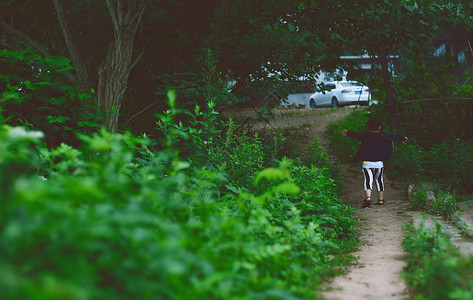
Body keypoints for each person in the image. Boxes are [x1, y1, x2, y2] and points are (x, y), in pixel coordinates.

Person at [341, 117, 407, 208]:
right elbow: (394, 135)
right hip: (378, 163)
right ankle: (380, 200)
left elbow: (356, 134)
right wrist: (403, 138)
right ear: (380, 127)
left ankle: (368, 198)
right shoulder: (384, 136)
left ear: (368, 127)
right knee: (379, 180)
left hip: (367, 163)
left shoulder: (365, 136)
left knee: (368, 180)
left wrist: (347, 133)